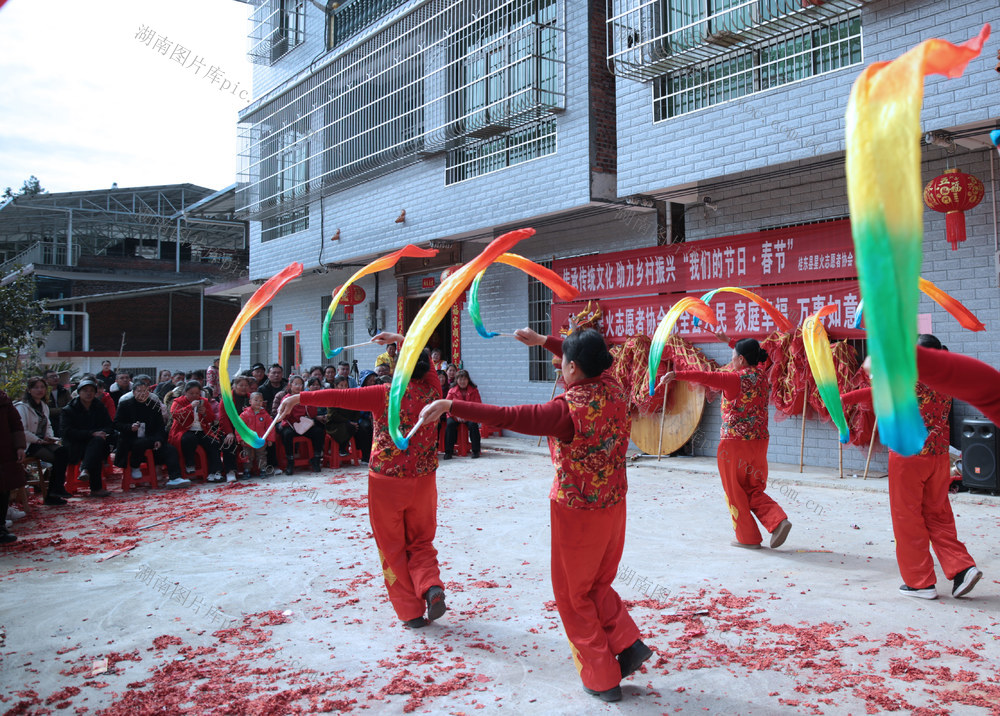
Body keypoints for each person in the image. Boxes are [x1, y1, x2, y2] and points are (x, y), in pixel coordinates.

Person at [420, 327, 651, 703]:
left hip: (577, 512)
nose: (561, 365)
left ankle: (602, 676)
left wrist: (452, 406)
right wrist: (544, 341)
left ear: (572, 367)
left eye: (564, 361)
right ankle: (627, 644)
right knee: (596, 584)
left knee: (573, 595)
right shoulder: (615, 386)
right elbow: (589, 358)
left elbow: (509, 416)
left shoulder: (566, 410)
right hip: (614, 505)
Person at [277, 332, 446, 629]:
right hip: (423, 479)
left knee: (392, 546)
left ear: (398, 366)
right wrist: (400, 338)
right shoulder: (434, 391)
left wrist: (298, 397)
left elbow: (338, 397)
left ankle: (410, 612)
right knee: (421, 541)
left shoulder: (383, 393)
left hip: (386, 482)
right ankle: (430, 585)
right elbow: (426, 362)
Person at [843, 335, 982, 600]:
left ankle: (920, 583)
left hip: (908, 458)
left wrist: (842, 399)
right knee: (938, 515)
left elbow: (873, 391)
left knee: (907, 518)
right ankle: (963, 568)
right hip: (938, 457)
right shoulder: (946, 378)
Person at [659, 338, 792, 550]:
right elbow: (749, 352)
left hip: (734, 445)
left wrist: (676, 374)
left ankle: (748, 538)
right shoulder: (762, 377)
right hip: (759, 442)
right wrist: (729, 341)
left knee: (735, 490)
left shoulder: (734, 380)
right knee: (753, 488)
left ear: (741, 359)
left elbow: (705, 376)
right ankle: (777, 521)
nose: (731, 361)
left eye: (733, 357)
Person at [114, 376, 189, 489]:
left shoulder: (154, 405)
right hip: (131, 440)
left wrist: (159, 439)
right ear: (133, 392)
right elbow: (116, 424)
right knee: (140, 443)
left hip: (151, 438)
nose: (142, 394)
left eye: (145, 391)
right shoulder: (125, 405)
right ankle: (135, 466)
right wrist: (130, 427)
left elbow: (160, 426)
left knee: (171, 449)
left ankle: (175, 477)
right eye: (139, 391)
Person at [16, 377, 71, 504]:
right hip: (29, 444)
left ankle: (56, 490)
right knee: (56, 458)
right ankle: (52, 493)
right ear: (29, 390)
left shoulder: (44, 406)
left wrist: (49, 436)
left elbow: (48, 425)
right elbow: (22, 431)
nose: (40, 390)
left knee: (63, 451)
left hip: (42, 441)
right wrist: (38, 440)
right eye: (36, 387)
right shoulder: (22, 407)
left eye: (42, 387)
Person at [60, 377, 116, 497]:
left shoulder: (99, 407)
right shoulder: (69, 409)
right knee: (96, 446)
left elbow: (109, 426)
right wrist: (91, 434)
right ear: (79, 392)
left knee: (97, 443)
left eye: (91, 391)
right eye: (85, 390)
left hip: (96, 443)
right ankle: (95, 487)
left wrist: (102, 433)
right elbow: (67, 432)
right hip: (75, 445)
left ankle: (85, 469)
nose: (88, 393)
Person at [169, 380, 226, 483]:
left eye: (197, 393)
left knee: (214, 442)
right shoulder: (178, 401)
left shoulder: (204, 401)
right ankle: (190, 464)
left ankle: (215, 471)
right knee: (189, 439)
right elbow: (175, 414)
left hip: (202, 430)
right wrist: (190, 407)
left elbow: (211, 418)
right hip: (184, 431)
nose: (194, 396)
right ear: (185, 392)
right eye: (191, 393)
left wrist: (204, 413)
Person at [274, 375, 324, 475]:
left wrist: (310, 403)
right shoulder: (286, 398)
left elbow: (312, 414)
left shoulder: (305, 397)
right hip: (290, 424)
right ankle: (290, 462)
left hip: (304, 425)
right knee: (287, 434)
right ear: (290, 385)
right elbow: (283, 415)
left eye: (300, 384)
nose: (298, 386)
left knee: (318, 431)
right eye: (296, 384)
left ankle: (316, 459)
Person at [0, 388, 26, 543]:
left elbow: (15, 423)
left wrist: (20, 446)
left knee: (3, 490)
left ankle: (1, 528)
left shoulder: (3, 399)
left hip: (4, 451)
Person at [444, 369, 482, 459]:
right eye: (460, 379)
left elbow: (478, 405)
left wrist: (467, 416)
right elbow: (447, 406)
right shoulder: (452, 391)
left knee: (473, 425)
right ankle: (448, 451)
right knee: (450, 425)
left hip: (469, 416)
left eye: (464, 379)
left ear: (468, 380)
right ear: (456, 380)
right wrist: (455, 415)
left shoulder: (474, 390)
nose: (462, 381)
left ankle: (476, 451)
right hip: (454, 415)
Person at [239, 392, 275, 478]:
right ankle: (247, 470)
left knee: (261, 455)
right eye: (256, 400)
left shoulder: (265, 415)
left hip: (261, 440)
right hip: (248, 440)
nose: (258, 402)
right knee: (247, 455)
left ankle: (262, 470)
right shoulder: (244, 414)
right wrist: (240, 439)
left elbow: (270, 428)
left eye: (260, 401)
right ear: (250, 401)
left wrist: (270, 439)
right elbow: (240, 428)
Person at [324, 375, 360, 456]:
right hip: (334, 424)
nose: (344, 388)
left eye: (346, 385)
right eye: (341, 385)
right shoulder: (332, 397)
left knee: (363, 427)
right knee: (348, 427)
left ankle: (364, 455)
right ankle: (342, 448)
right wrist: (348, 422)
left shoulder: (351, 397)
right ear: (336, 386)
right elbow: (333, 415)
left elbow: (356, 410)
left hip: (350, 422)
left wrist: (354, 421)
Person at [44, 370, 71, 436]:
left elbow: (70, 404)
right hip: (50, 419)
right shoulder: (44, 392)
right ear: (46, 380)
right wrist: (62, 409)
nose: (55, 378)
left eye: (56, 376)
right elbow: (46, 409)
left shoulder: (64, 390)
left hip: (64, 418)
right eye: (52, 377)